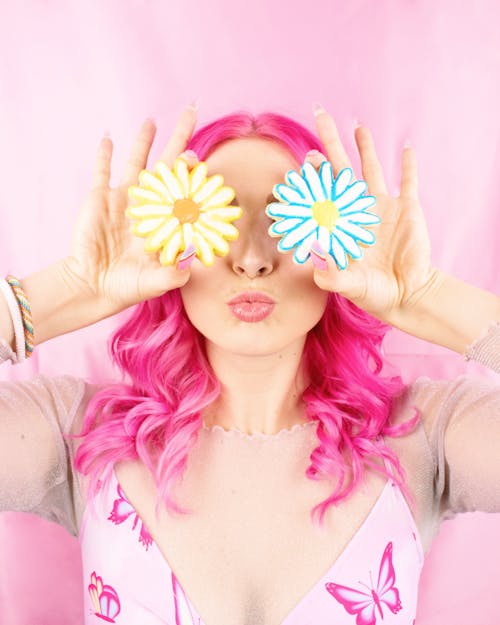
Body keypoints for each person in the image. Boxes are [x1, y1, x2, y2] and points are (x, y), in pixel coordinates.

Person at [1, 102, 499, 625]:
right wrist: (64, 291)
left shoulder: (423, 437)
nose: (253, 257)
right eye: (220, 218)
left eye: (288, 217)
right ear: (167, 238)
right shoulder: (80, 435)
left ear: (342, 236)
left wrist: (427, 294)